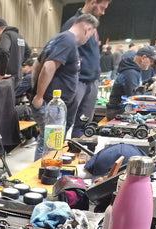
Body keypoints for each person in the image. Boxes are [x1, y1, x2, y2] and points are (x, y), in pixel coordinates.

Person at [32, 13, 99, 160]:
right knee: (50, 147)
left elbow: (37, 64)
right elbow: (48, 67)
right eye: (90, 35)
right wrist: (39, 95)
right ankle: (44, 176)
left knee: (48, 144)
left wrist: (36, 92)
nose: (87, 40)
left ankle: (43, 174)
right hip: (52, 104)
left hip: (54, 103)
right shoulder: (67, 40)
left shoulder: (58, 38)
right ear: (87, 28)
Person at [61, 0, 111, 138]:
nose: (103, 12)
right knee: (61, 126)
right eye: (101, 7)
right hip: (77, 82)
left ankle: (78, 154)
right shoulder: (73, 24)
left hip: (91, 82)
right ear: (93, 2)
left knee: (83, 126)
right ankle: (51, 158)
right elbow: (62, 54)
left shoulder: (92, 27)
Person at [106, 46, 156, 119]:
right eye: (151, 60)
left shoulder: (133, 71)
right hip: (118, 112)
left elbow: (136, 88)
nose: (151, 63)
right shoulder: (131, 73)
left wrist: (151, 80)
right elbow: (134, 97)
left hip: (120, 110)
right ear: (143, 58)